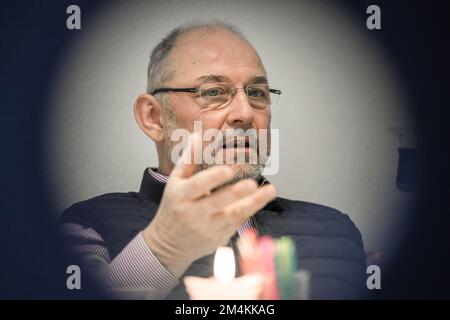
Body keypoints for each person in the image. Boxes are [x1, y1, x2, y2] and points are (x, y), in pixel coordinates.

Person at [59, 21, 367, 299]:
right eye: (214, 91)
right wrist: (162, 248)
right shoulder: (88, 226)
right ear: (153, 118)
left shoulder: (335, 229)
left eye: (257, 93)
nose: (245, 114)